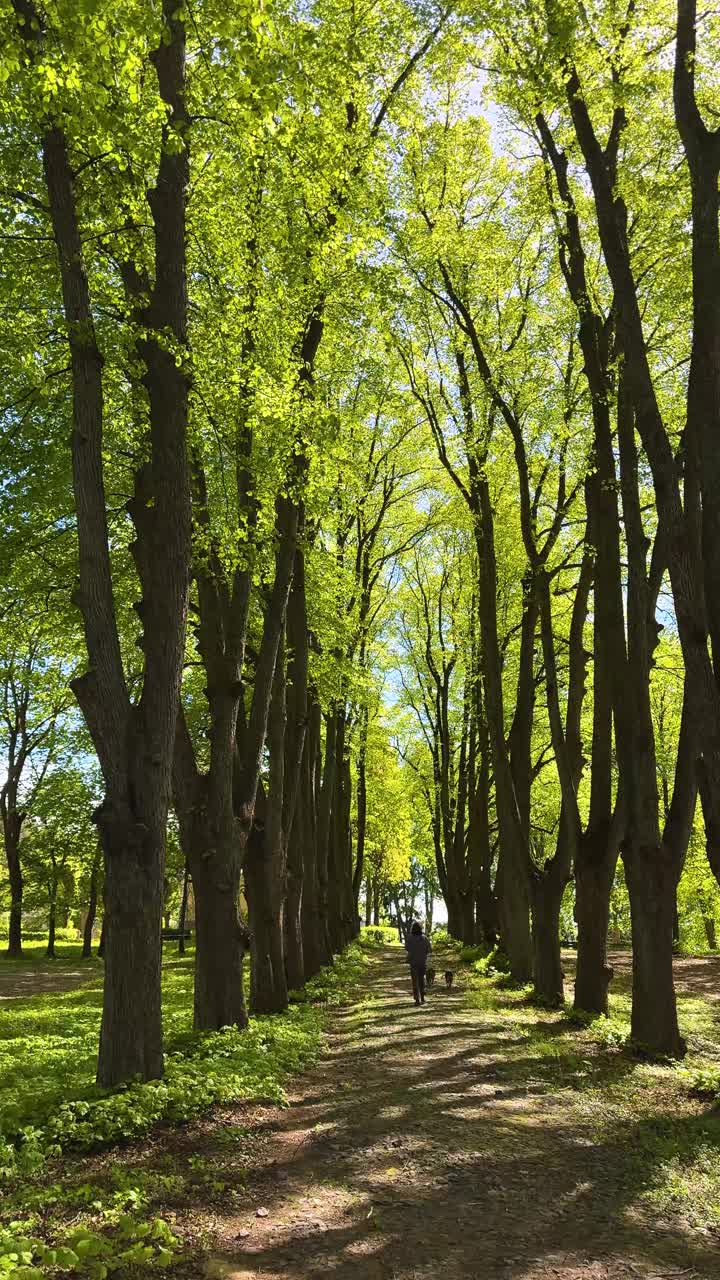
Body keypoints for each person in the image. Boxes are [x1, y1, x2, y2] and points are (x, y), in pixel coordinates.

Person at [405, 921, 431, 1005]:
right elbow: (429, 950)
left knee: (414, 980)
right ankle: (423, 998)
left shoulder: (409, 938)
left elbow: (407, 949)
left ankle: (417, 1000)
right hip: (422, 962)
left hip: (413, 962)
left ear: (412, 929)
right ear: (420, 929)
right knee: (421, 980)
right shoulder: (425, 938)